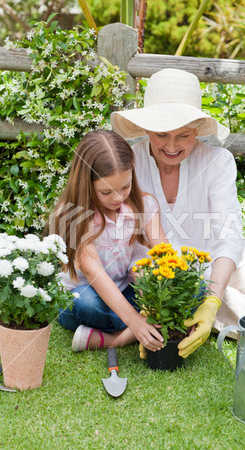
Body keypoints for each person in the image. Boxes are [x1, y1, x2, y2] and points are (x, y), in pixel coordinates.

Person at [111, 68, 245, 355]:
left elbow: (229, 237)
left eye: (183, 135)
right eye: (162, 135)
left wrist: (212, 300)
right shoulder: (129, 162)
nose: (171, 146)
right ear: (147, 130)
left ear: (197, 129)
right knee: (241, 317)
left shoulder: (218, 161)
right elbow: (124, 238)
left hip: (219, 263)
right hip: (159, 275)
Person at [45, 130, 167, 352]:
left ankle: (114, 339)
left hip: (124, 290)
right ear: (86, 184)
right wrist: (135, 320)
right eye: (106, 192)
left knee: (189, 290)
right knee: (88, 305)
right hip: (84, 292)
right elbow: (93, 273)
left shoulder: (144, 204)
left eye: (125, 187)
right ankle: (139, 327)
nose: (118, 198)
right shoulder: (73, 215)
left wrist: (149, 292)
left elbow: (162, 255)